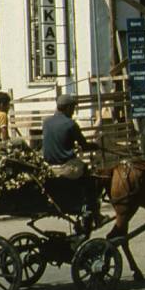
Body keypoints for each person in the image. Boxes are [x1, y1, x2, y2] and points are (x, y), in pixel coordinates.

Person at [42, 94, 100, 226]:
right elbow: (84, 146)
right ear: (67, 108)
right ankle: (90, 210)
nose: (73, 111)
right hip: (66, 167)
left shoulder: (46, 122)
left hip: (49, 166)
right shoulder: (70, 124)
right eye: (73, 108)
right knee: (89, 177)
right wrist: (96, 146)